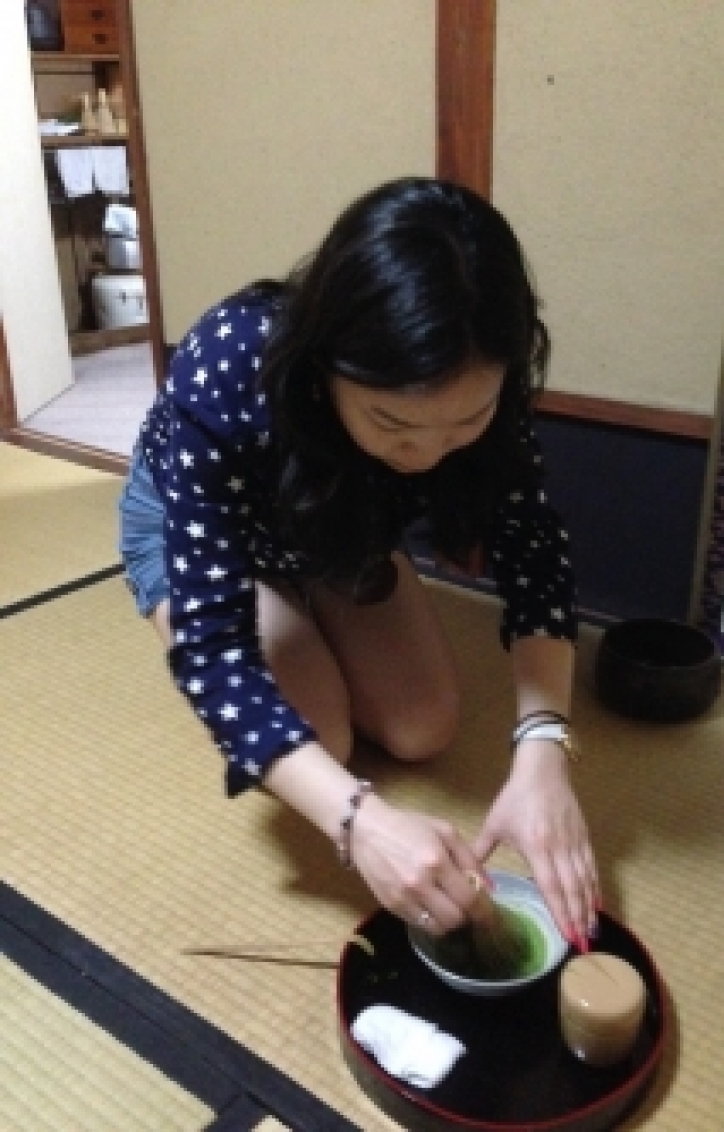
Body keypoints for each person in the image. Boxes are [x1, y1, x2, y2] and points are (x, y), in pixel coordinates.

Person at [118, 177, 599, 951]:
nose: (428, 454)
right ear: (326, 364)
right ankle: (292, 612)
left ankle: (317, 598)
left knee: (424, 727)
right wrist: (358, 822)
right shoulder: (230, 364)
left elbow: (534, 551)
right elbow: (214, 651)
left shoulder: (486, 372)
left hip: (339, 527)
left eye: (466, 421)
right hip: (206, 535)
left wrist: (544, 749)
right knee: (322, 740)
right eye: (393, 422)